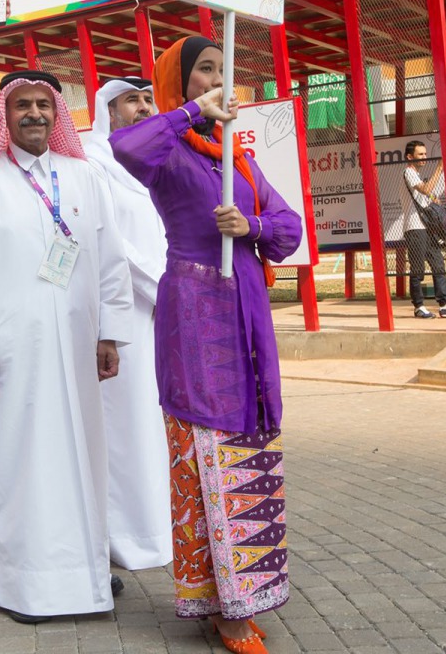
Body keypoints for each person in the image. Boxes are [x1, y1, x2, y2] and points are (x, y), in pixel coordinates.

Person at [110, 36, 303, 654]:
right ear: (180, 83)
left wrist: (252, 226)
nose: (219, 79)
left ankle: (242, 591)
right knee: (207, 449)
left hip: (246, 309)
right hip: (196, 312)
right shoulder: (170, 150)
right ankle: (223, 606)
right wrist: (194, 112)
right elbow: (127, 146)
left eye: (224, 70)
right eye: (205, 71)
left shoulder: (237, 158)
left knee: (249, 445)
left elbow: (290, 226)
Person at [0, 70, 133, 623]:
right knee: (17, 459)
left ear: (58, 115)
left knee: (81, 457)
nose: (35, 114)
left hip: (76, 347)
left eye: (44, 105)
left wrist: (110, 332)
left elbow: (110, 257)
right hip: (9, 352)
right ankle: (18, 583)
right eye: (22, 105)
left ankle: (84, 572)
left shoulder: (84, 175)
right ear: (4, 116)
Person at [84, 76, 173, 571]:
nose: (142, 108)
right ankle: (129, 536)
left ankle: (165, 525)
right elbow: (112, 243)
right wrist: (166, 288)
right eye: (130, 101)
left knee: (159, 421)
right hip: (126, 311)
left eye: (146, 99)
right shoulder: (95, 163)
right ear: (108, 111)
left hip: (167, 308)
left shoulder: (158, 158)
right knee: (129, 422)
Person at [403, 141, 446, 319]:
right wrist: (439, 168)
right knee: (418, 268)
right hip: (415, 227)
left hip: (428, 227)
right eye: (420, 154)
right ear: (410, 157)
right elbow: (425, 189)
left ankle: (444, 304)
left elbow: (428, 195)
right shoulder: (409, 172)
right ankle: (418, 306)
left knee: (438, 264)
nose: (424, 158)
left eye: (425, 154)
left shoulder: (417, 175)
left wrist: (435, 199)